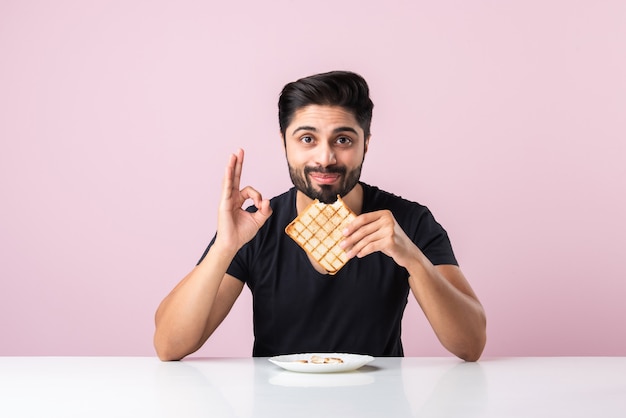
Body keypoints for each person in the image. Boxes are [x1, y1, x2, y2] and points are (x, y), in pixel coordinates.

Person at [154, 71, 486, 362]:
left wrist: (413, 258)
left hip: (382, 406)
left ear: (365, 145)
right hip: (276, 405)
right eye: (307, 139)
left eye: (343, 139)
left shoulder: (409, 222)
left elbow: (471, 345)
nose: (325, 158)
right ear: (285, 143)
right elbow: (169, 345)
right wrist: (225, 247)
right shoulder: (255, 226)